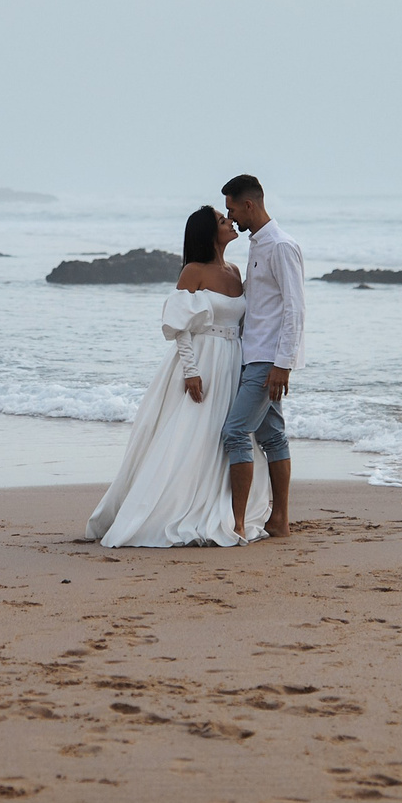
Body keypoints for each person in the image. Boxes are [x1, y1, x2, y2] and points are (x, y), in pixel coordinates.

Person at [84, 205, 274, 548]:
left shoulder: (234, 270)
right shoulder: (193, 271)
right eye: (221, 220)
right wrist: (191, 372)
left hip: (233, 361)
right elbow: (180, 328)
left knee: (224, 435)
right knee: (192, 434)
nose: (230, 222)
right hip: (202, 360)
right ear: (209, 233)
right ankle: (174, 505)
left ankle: (228, 507)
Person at [221, 173, 303, 539]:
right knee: (273, 438)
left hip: (267, 360)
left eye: (233, 209)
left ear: (249, 205)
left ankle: (239, 523)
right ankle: (279, 521)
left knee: (236, 432)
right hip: (251, 356)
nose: (231, 216)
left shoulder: (282, 246)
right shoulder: (257, 244)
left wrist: (283, 363)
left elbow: (294, 309)